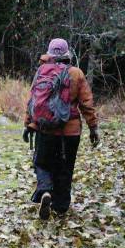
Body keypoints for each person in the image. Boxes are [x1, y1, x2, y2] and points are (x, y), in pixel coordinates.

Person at [23, 38, 99, 220]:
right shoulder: (77, 74)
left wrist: (28, 125)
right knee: (65, 168)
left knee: (41, 163)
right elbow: (86, 103)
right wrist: (93, 128)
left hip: (45, 129)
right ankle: (61, 207)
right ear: (67, 54)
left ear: (49, 53)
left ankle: (45, 191)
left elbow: (33, 101)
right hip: (70, 132)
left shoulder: (42, 71)